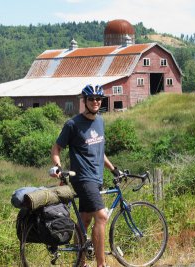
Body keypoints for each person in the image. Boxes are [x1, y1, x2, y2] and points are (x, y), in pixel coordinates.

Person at [50, 84, 119, 267]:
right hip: (82, 178)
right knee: (102, 217)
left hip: (97, 177)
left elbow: (99, 151)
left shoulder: (101, 121)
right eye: (92, 99)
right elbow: (56, 148)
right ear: (85, 101)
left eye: (99, 99)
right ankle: (101, 264)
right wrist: (58, 167)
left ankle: (80, 263)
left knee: (85, 220)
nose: (96, 102)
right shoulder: (73, 124)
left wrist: (113, 169)